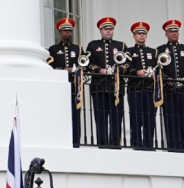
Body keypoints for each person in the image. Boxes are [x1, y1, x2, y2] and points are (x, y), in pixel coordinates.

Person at [156, 19, 184, 153]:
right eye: (171, 31)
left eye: (176, 31)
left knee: (183, 119)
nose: (174, 33)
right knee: (170, 119)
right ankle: (172, 147)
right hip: (168, 91)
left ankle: (182, 146)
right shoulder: (160, 50)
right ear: (166, 33)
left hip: (183, 91)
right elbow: (157, 69)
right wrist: (165, 79)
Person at [85, 17, 125, 148]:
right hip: (99, 87)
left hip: (116, 88)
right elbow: (87, 63)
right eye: (105, 29)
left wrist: (118, 70)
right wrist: (98, 70)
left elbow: (127, 63)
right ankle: (102, 145)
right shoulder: (93, 45)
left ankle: (115, 145)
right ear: (100, 30)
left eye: (110, 29)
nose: (108, 31)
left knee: (116, 118)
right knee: (100, 118)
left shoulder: (121, 45)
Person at [46, 17, 82, 148]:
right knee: (61, 114)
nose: (67, 32)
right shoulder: (53, 49)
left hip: (75, 86)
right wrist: (63, 70)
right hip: (60, 86)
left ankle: (75, 142)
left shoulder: (78, 48)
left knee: (75, 115)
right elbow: (50, 65)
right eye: (65, 30)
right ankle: (61, 140)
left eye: (69, 30)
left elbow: (84, 64)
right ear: (60, 32)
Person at [126, 22, 157, 151]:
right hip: (135, 88)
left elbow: (159, 67)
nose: (142, 36)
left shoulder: (153, 51)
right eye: (139, 33)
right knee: (136, 117)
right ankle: (137, 143)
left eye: (144, 33)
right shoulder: (129, 51)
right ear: (134, 36)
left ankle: (148, 144)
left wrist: (154, 73)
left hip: (150, 89)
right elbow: (126, 67)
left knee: (150, 117)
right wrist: (136, 72)